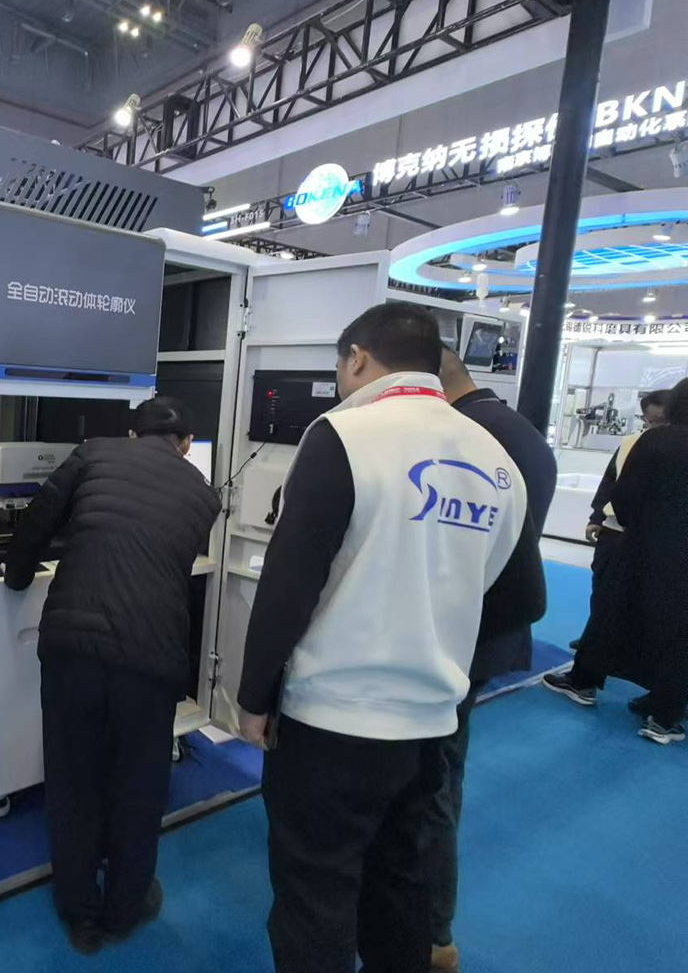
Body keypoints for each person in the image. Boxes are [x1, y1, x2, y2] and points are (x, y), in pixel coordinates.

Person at [236, 303, 544, 973]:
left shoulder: (344, 435)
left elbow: (289, 587)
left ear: (356, 359)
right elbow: (524, 599)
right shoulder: (496, 458)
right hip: (431, 722)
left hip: (331, 721)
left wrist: (253, 698)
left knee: (315, 891)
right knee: (401, 886)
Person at [3, 396, 220, 954]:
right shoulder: (205, 495)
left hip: (73, 646)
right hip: (152, 658)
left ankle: (80, 915)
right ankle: (126, 907)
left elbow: (37, 523)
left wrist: (16, 578)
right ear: (187, 445)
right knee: (139, 785)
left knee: (72, 779)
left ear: (130, 434)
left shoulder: (93, 452)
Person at [424, 347, 557, 973]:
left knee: (431, 785)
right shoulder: (525, 435)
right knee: (444, 775)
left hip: (449, 639)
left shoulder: (463, 440)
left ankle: (431, 932)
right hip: (485, 637)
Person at [543, 377, 688, 744]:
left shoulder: (655, 441)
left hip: (641, 549)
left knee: (610, 614)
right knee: (678, 633)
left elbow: (623, 498)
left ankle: (584, 681)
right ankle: (665, 714)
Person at [569, 390, 670, 650]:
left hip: (651, 535)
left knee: (640, 592)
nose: (657, 426)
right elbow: (609, 482)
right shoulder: (629, 443)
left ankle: (626, 644)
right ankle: (594, 636)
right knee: (601, 583)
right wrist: (596, 517)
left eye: (663, 421)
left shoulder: (676, 451)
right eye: (652, 421)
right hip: (613, 530)